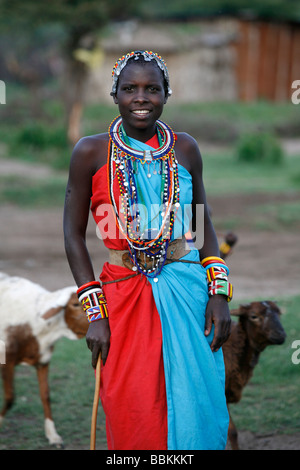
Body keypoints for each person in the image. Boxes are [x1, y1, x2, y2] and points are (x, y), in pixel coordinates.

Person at [63, 50, 232, 450]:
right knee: (133, 402)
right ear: (115, 94)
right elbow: (72, 235)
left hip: (188, 291)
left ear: (166, 94)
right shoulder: (90, 152)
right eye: (130, 89)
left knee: (198, 396)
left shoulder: (185, 150)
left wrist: (219, 293)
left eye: (152, 89)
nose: (141, 98)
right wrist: (96, 313)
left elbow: (199, 225)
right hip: (122, 294)